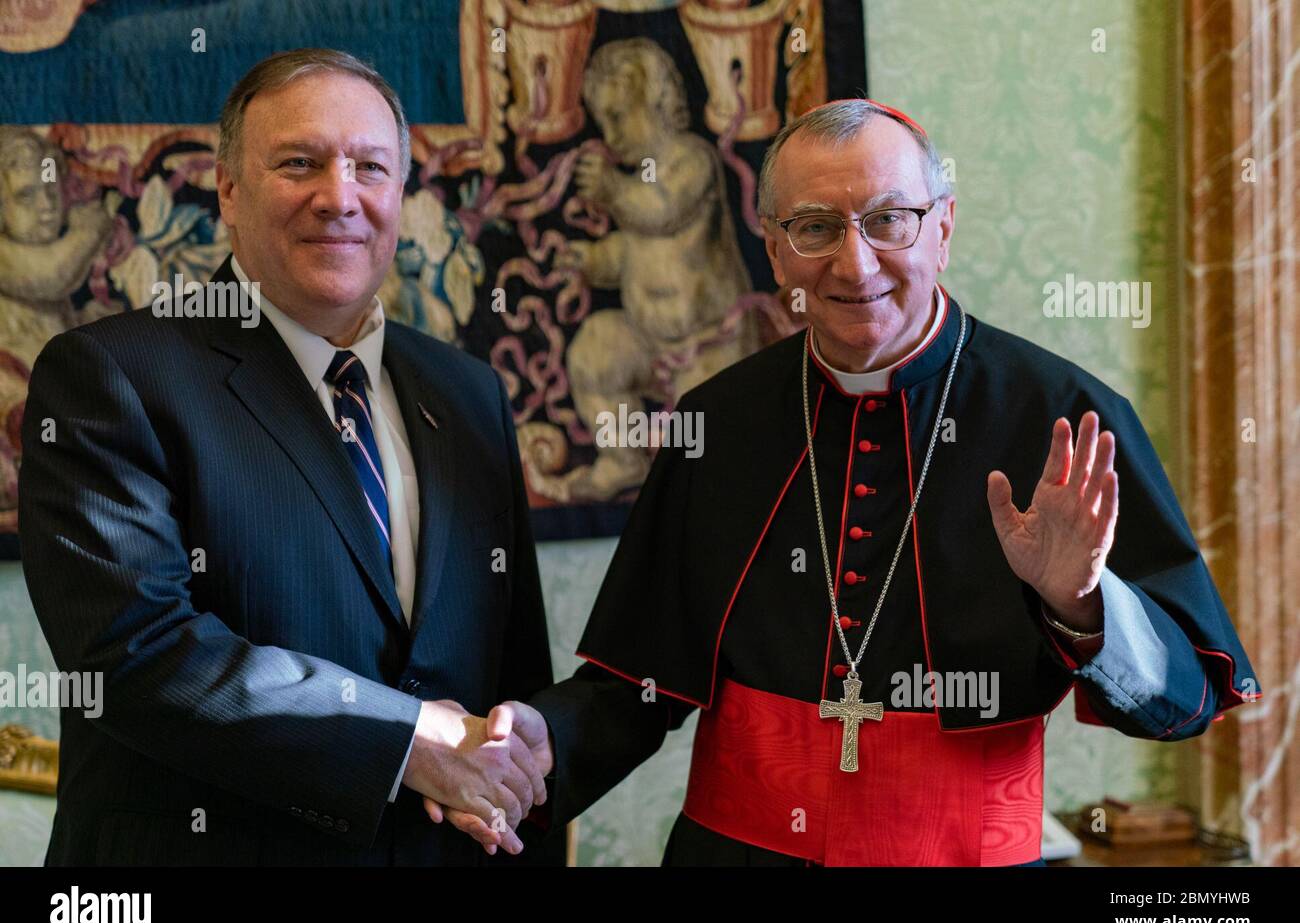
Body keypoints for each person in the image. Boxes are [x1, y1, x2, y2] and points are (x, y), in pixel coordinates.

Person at [440, 98, 1260, 866]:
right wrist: (541, 740)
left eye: (888, 221)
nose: (853, 260)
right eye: (814, 227)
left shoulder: (1062, 416)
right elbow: (635, 682)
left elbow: (1185, 698)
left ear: (943, 228)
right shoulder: (717, 423)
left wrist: (1081, 604)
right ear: (772, 247)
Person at [20, 48, 558, 866]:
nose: (338, 197)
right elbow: (133, 654)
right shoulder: (112, 375)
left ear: (400, 196)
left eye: (369, 168)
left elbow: (513, 677)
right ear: (228, 191)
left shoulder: (467, 392)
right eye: (299, 163)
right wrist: (408, 739)